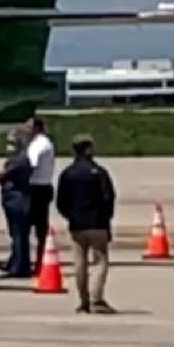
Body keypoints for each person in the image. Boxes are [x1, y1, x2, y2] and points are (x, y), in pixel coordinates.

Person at [56, 134, 117, 314]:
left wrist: (70, 216)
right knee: (100, 260)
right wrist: (107, 218)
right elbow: (108, 197)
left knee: (79, 261)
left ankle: (83, 300)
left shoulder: (67, 173)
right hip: (97, 223)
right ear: (89, 149)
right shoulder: (99, 172)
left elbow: (61, 201)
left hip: (77, 224)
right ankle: (96, 299)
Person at [0, 127, 33, 278]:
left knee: (19, 235)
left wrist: (0, 176)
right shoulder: (16, 159)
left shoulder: (20, 160)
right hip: (14, 199)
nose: (8, 146)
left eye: (11, 142)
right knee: (16, 234)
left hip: (17, 200)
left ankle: (19, 267)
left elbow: (2, 176)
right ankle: (17, 263)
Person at [25, 116, 56, 273]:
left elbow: (30, 165)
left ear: (36, 128)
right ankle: (37, 260)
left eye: (28, 127)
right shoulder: (42, 142)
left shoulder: (39, 144)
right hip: (42, 187)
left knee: (32, 227)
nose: (26, 130)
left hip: (37, 188)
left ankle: (38, 262)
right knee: (39, 227)